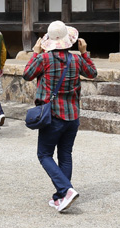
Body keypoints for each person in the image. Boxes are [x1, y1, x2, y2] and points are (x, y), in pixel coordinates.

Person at [24, 20, 98, 212]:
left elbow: (27, 74)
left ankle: (66, 190)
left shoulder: (44, 59)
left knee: (44, 154)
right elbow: (92, 72)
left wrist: (36, 52)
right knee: (65, 154)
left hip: (53, 115)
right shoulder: (77, 60)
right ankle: (61, 196)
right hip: (72, 114)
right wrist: (84, 52)